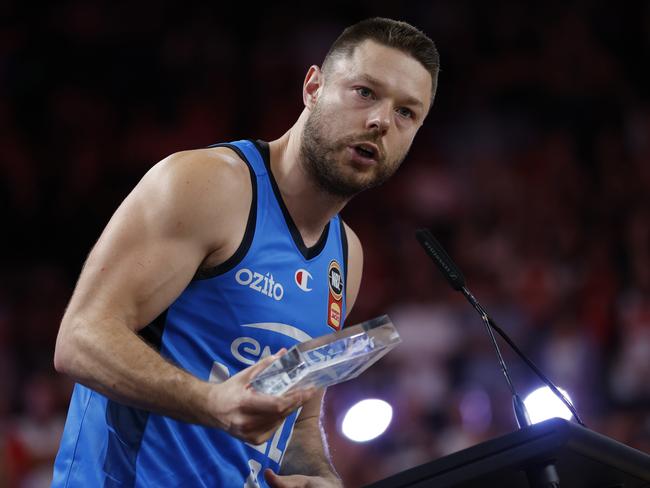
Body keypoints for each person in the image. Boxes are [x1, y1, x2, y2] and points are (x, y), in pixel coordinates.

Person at [52, 17, 440, 487]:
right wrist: (211, 402)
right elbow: (80, 339)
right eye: (365, 92)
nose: (381, 121)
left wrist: (319, 475)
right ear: (313, 87)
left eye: (406, 113)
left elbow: (297, 419)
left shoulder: (345, 257)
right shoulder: (209, 185)